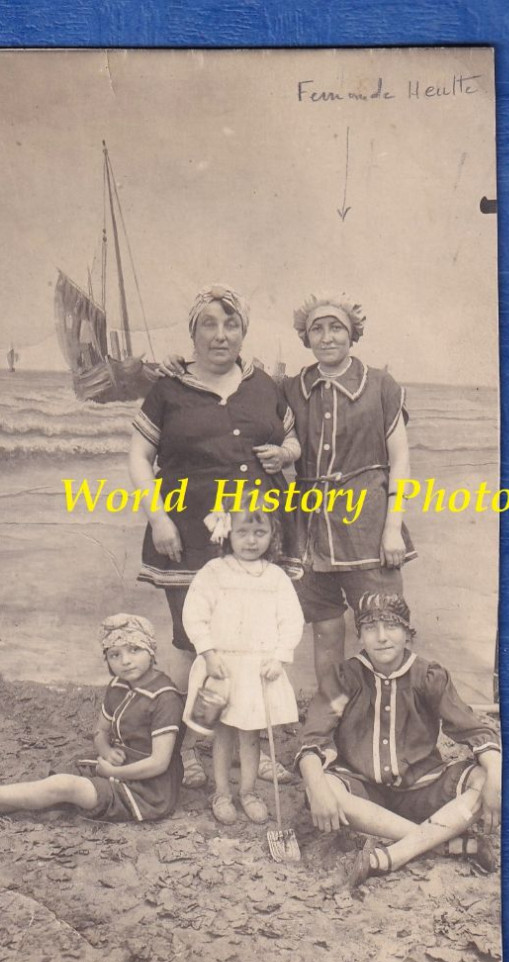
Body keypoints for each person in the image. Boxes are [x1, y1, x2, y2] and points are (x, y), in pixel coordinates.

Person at [129, 284, 301, 787]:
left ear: (243, 332)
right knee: (194, 641)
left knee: (256, 641)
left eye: (231, 325)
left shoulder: (265, 385)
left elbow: (290, 436)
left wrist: (286, 453)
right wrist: (159, 517)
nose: (220, 335)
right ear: (193, 332)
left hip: (256, 532)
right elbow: (139, 457)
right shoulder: (168, 391)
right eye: (209, 324)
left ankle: (252, 748)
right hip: (188, 532)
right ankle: (199, 750)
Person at [295, 593, 501, 886]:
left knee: (485, 778)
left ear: (407, 632)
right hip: (364, 793)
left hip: (424, 788)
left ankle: (392, 855)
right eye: (370, 628)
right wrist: (316, 788)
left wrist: (495, 775)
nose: (381, 637)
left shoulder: (427, 676)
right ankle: (441, 844)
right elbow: (313, 736)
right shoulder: (346, 678)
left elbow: (474, 730)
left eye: (391, 626)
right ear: (360, 636)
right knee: (322, 785)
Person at [0, 614, 184, 825]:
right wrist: (105, 751)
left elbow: (159, 763)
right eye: (114, 654)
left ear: (151, 651)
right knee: (51, 787)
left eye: (134, 650)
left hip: (146, 789)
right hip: (112, 768)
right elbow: (100, 732)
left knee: (63, 787)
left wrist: (115, 771)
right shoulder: (118, 686)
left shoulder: (165, 697)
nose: (125, 661)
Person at [283, 294, 416, 684]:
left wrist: (393, 528)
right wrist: (177, 365)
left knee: (384, 629)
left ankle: (388, 721)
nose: (327, 337)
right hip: (309, 534)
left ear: (353, 333)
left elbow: (400, 460)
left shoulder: (380, 385)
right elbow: (239, 383)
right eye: (316, 329)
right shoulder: (291, 388)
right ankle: (329, 725)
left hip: (369, 529)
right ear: (306, 338)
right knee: (325, 631)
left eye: (336, 327)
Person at [182, 507, 304, 825]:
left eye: (259, 533)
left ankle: (248, 791)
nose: (251, 540)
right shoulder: (214, 571)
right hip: (223, 665)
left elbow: (291, 619)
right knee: (222, 733)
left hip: (257, 669)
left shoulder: (275, 577)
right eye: (243, 532)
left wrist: (279, 656)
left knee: (251, 735)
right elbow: (195, 612)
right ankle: (222, 792)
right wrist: (208, 653)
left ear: (272, 535)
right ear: (228, 533)